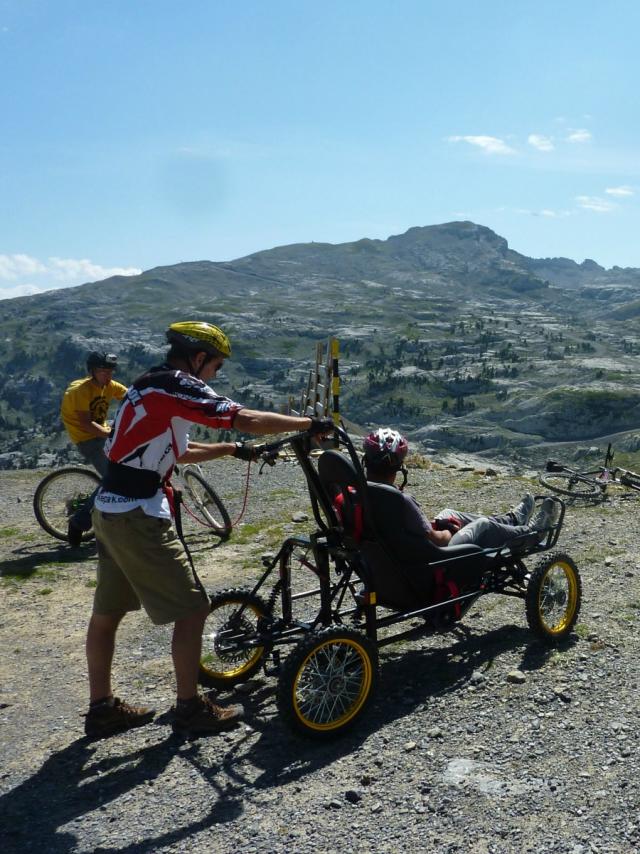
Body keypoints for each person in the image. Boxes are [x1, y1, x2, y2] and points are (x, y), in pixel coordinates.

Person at [84, 321, 333, 740]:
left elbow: (179, 449)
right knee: (194, 607)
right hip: (138, 515)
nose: (216, 374)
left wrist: (235, 451)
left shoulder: (148, 385)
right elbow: (244, 418)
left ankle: (102, 708)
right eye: (215, 365)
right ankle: (189, 708)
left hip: (108, 509)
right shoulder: (181, 384)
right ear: (199, 358)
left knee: (106, 614)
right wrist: (307, 424)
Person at [361, 428, 558, 550]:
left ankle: (511, 520)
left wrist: (439, 524)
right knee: (482, 525)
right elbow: (439, 541)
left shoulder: (357, 494)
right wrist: (449, 531)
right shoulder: (399, 501)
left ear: (366, 462)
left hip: (396, 555)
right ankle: (533, 533)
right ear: (398, 467)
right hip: (436, 557)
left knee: (449, 513)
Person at [60, 351, 127, 545]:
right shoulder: (81, 390)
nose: (108, 375)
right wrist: (112, 434)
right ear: (92, 372)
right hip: (87, 439)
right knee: (114, 479)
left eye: (110, 371)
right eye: (102, 371)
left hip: (102, 433)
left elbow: (132, 396)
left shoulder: (109, 386)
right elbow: (87, 424)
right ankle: (78, 522)